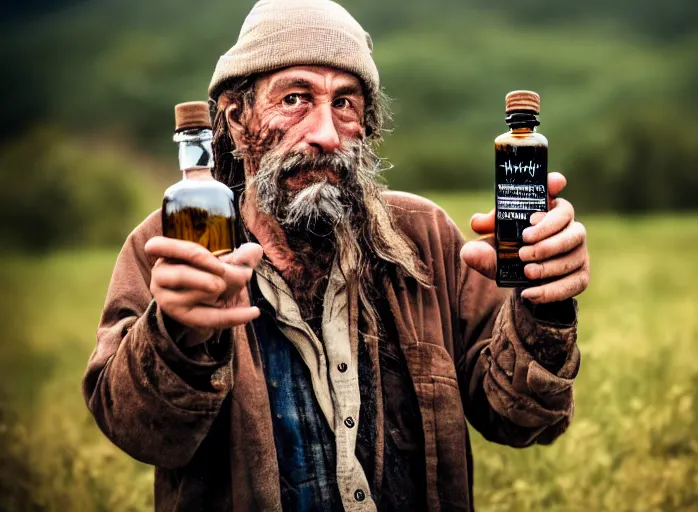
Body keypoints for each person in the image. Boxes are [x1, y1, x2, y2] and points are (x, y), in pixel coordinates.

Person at [82, 0, 590, 510]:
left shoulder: (425, 237)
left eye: (345, 103)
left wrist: (544, 303)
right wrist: (177, 334)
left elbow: (520, 418)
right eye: (296, 99)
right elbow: (140, 433)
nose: (326, 134)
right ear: (237, 119)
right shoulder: (173, 247)